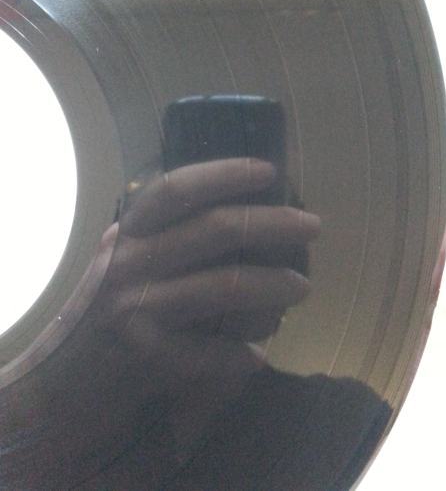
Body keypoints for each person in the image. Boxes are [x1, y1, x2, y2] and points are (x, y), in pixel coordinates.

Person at [0, 157, 390, 490]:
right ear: (115, 265)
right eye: (179, 242)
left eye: (247, 251)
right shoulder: (340, 420)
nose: (216, 275)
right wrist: (44, 385)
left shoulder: (344, 418)